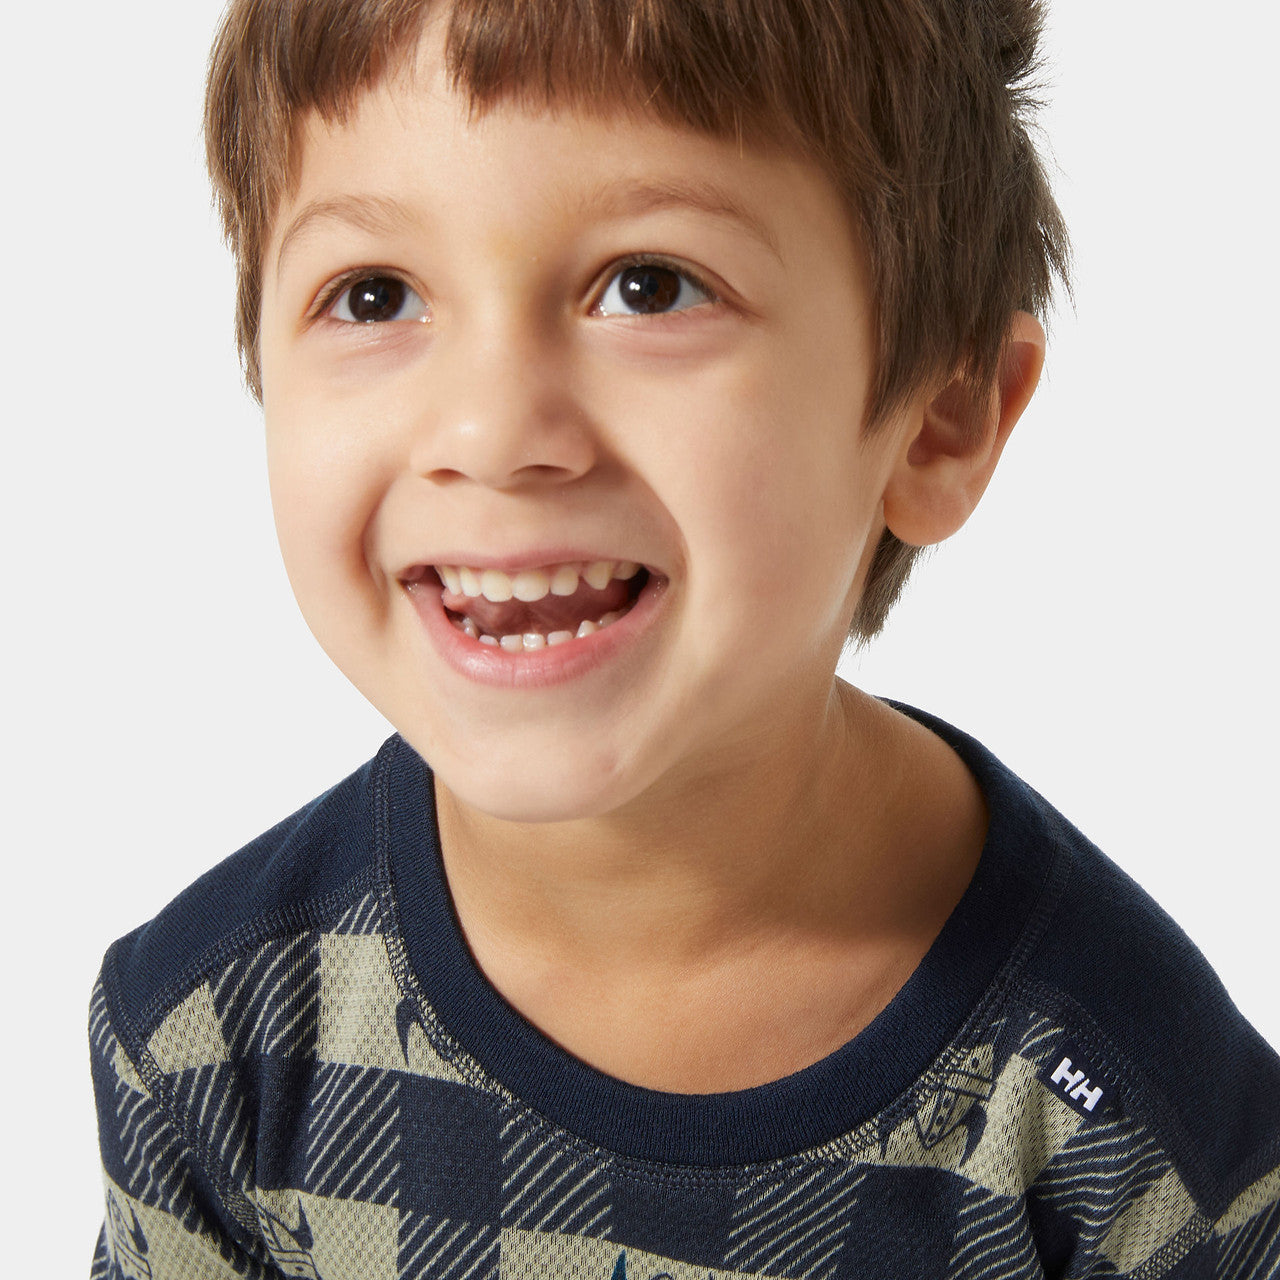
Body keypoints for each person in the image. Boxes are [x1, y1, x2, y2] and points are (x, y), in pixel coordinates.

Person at [89, 0, 1280, 1276]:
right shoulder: (213, 1038)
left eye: (647, 286)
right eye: (374, 294)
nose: (491, 431)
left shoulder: (1125, 1129)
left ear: (937, 419)